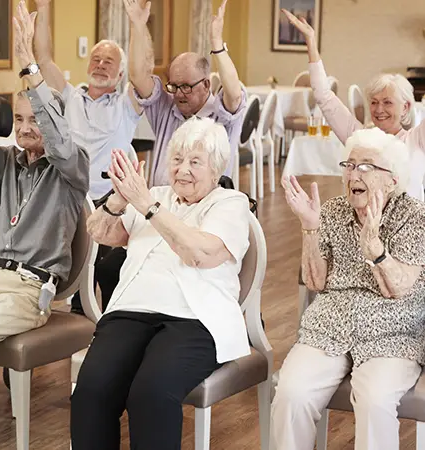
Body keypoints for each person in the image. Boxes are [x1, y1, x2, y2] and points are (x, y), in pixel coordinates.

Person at [70, 117, 251, 450]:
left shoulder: (230, 204)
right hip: (130, 312)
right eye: (177, 160)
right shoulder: (153, 195)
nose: (183, 170)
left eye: (195, 162)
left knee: (151, 394)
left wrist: (147, 207)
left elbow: (199, 254)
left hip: (196, 321)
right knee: (91, 391)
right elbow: (101, 231)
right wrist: (118, 200)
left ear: (215, 169)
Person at [272, 128, 425, 450]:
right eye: (350, 165)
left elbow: (399, 288)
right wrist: (310, 228)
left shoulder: (414, 216)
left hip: (393, 332)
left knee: (375, 399)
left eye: (366, 166)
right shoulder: (332, 211)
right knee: (291, 393)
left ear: (392, 179)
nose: (354, 174)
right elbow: (315, 282)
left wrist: (376, 251)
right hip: (331, 325)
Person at [0, 2, 89, 390]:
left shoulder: (72, 166)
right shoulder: (8, 161)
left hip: (28, 292)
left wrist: (30, 65)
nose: (24, 129)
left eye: (35, 119)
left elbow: (58, 141)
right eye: (19, 119)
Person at [29, 0, 146, 312]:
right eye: (96, 59)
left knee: (109, 275)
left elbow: (141, 73)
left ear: (120, 72)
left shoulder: (126, 106)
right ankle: (73, 313)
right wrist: (44, 7)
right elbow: (42, 59)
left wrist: (137, 24)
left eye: (109, 61)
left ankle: (109, 319)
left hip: (111, 203)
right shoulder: (69, 97)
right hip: (70, 201)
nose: (101, 64)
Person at [283, 9, 425, 201]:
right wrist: (311, 41)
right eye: (374, 102)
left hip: (408, 228)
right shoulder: (359, 138)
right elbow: (324, 96)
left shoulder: (416, 140)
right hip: (364, 226)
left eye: (387, 102)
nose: (379, 109)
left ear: (406, 107)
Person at [125, 0, 246, 187]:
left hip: (205, 210)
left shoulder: (222, 116)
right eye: (174, 86)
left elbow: (235, 95)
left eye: (186, 87)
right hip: (160, 206)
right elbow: (137, 76)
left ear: (206, 85)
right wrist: (138, 25)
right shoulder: (166, 108)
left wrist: (217, 44)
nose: (179, 94)